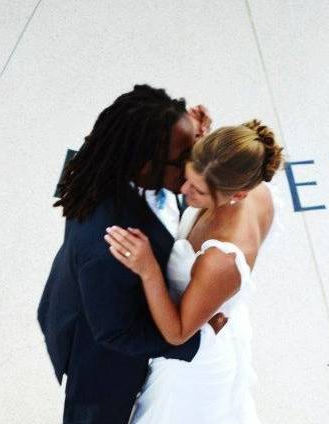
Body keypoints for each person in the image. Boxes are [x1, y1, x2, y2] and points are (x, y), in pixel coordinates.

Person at [37, 84, 224, 424]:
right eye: (185, 158)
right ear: (143, 165)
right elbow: (115, 332)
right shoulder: (107, 245)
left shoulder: (119, 159)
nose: (194, 165)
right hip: (104, 366)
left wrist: (192, 136)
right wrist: (191, 339)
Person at [104, 119, 284, 423]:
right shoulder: (247, 179)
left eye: (198, 191)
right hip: (215, 319)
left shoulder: (221, 259)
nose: (183, 190)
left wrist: (148, 270)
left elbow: (177, 334)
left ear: (237, 195)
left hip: (191, 367)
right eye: (187, 175)